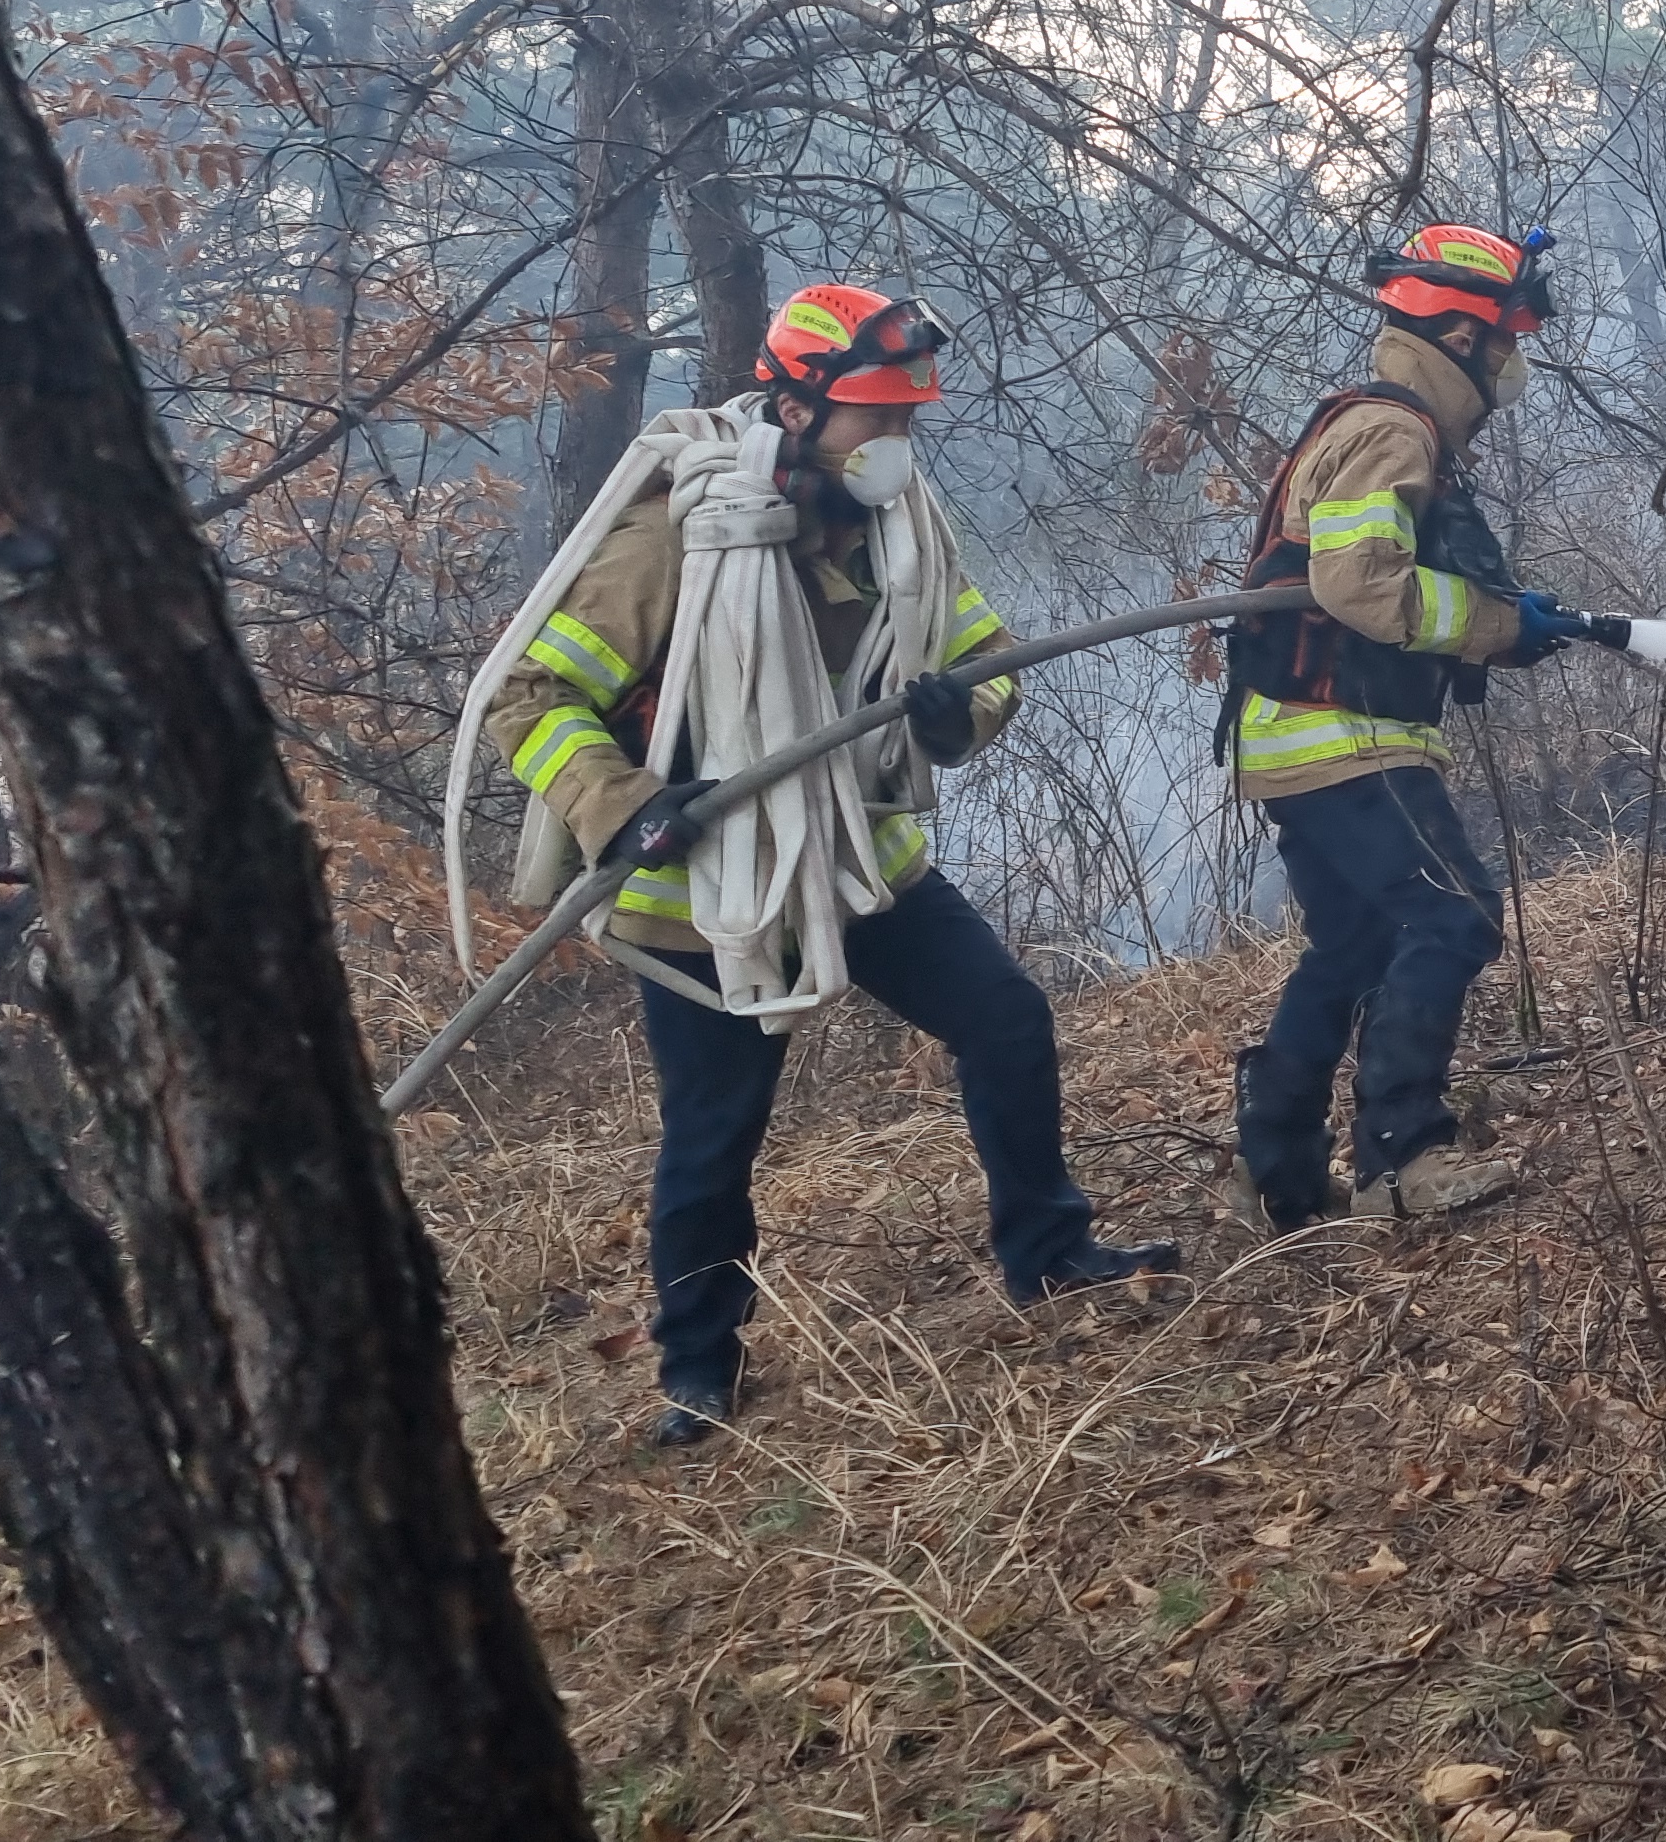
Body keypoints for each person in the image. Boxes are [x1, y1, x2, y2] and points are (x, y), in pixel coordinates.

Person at [477, 285, 1175, 1447]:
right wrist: (628, 804)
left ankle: (1048, 1255)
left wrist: (958, 712)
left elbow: (989, 655)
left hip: (859, 864)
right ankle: (697, 1371)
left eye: (908, 422)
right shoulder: (675, 538)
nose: (895, 446)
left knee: (1004, 1017)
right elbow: (530, 697)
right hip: (701, 898)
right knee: (715, 1135)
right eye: (873, 421)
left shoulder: (900, 529)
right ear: (796, 408)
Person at [1221, 224, 1605, 1227]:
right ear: (1465, 336)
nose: (1513, 360)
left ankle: (1280, 1177)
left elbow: (1378, 578)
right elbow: (1359, 583)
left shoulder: (1387, 424)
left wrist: (1507, 630)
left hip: (1300, 740)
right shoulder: (1396, 430)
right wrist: (1489, 623)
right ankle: (1404, 1159)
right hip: (1344, 737)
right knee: (1454, 914)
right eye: (1509, 335)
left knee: (1350, 947)